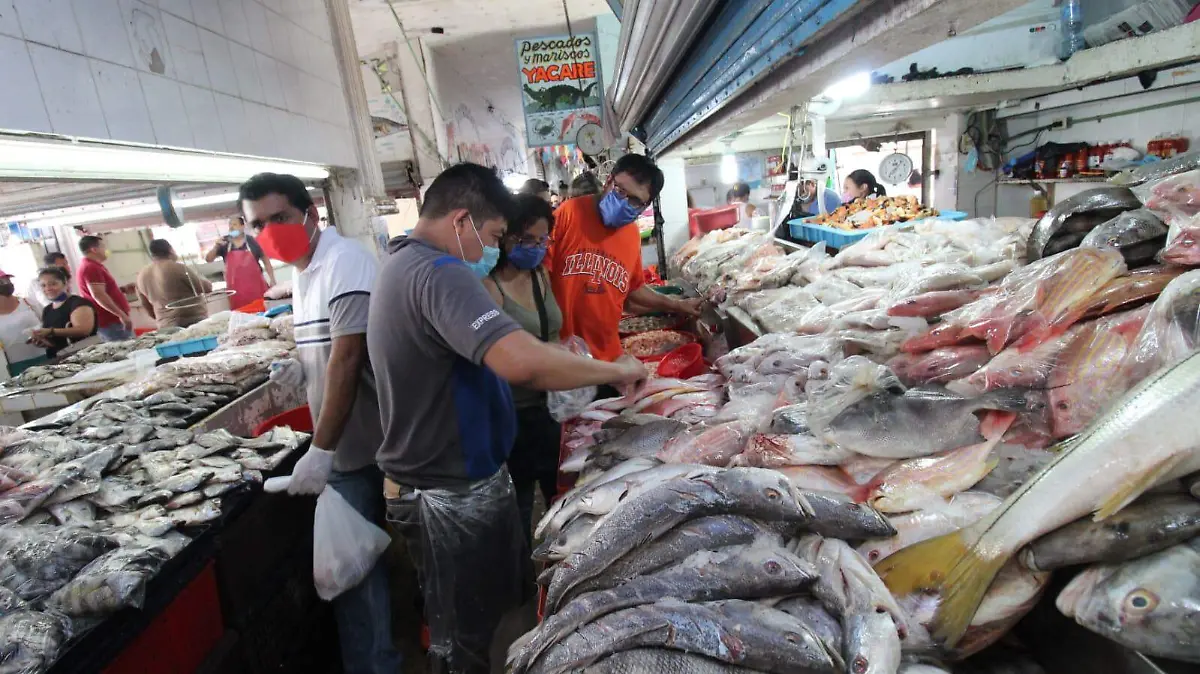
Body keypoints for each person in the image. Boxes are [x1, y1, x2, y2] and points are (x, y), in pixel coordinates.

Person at [367, 162, 647, 673]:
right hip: (444, 486)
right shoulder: (439, 272)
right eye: (494, 234)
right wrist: (615, 368)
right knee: (461, 634)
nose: (493, 249)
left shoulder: (401, 263)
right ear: (460, 222)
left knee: (470, 618)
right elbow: (519, 360)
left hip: (443, 475)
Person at [241, 173, 402, 674]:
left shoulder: (343, 261)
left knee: (353, 574)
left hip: (367, 447)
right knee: (362, 566)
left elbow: (347, 359)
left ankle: (377, 667)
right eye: (257, 224)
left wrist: (322, 450)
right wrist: (298, 366)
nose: (270, 231)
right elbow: (328, 351)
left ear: (310, 213)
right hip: (348, 446)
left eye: (280, 217)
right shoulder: (302, 272)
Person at [547, 154, 702, 363]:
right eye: (620, 191)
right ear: (609, 180)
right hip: (563, 357)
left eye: (636, 200)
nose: (624, 202)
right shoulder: (567, 215)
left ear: (646, 204)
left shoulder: (631, 235)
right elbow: (538, 280)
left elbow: (633, 291)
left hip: (609, 356)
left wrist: (676, 305)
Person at [481, 194, 562, 543]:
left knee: (561, 498)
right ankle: (520, 586)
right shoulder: (489, 287)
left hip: (554, 410)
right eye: (523, 239)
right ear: (505, 237)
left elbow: (552, 331)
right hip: (514, 417)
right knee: (520, 506)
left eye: (541, 240)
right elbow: (503, 356)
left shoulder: (541, 275)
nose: (533, 247)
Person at [136, 240, 213, 330]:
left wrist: (163, 318)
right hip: (193, 323)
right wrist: (200, 276)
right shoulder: (178, 268)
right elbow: (206, 288)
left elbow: (145, 305)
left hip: (165, 326)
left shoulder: (141, 275)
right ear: (170, 250)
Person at [205, 215, 277, 310]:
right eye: (230, 225)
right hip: (236, 292)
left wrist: (272, 279)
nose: (231, 227)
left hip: (256, 289)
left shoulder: (252, 241)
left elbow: (266, 260)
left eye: (234, 224)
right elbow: (208, 259)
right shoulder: (225, 242)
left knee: (262, 311)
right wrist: (216, 246)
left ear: (242, 227)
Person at [30, 267, 97, 358]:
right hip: (60, 359)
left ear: (65, 283)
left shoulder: (78, 303)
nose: (48, 288)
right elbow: (57, 342)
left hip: (84, 356)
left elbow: (84, 330)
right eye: (43, 285)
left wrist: (51, 331)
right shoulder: (47, 310)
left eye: (53, 284)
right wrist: (43, 341)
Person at [76, 235, 133, 342]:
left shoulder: (94, 266)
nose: (106, 250)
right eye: (103, 247)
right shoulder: (90, 267)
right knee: (127, 350)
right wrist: (121, 315)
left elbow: (102, 291)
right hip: (110, 321)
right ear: (94, 249)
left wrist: (122, 290)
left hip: (112, 320)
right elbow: (98, 295)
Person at [0, 271, 48, 375]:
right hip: (16, 366)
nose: (6, 283)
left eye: (7, 280)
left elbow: (49, 323)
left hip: (45, 356)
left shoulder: (29, 303)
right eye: (1, 281)